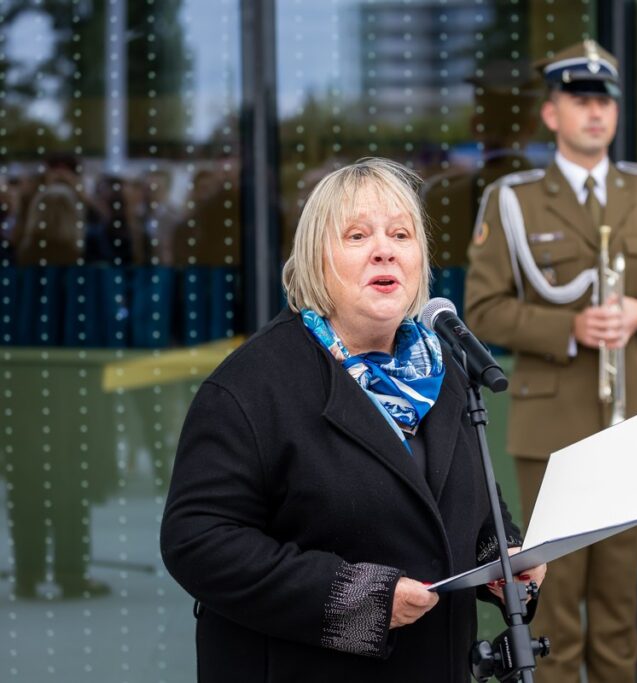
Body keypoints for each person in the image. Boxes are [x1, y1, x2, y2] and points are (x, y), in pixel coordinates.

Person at [160, 158, 545, 682]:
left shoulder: (444, 369)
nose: (384, 249)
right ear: (317, 260)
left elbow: (467, 504)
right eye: (357, 235)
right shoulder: (254, 383)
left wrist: (502, 557)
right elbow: (198, 540)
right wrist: (353, 600)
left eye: (401, 234)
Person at [464, 41, 637, 683]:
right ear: (551, 114)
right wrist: (568, 327)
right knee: (552, 608)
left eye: (604, 100)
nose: (595, 113)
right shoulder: (512, 199)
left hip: (631, 419)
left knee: (618, 606)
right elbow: (484, 310)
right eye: (580, 101)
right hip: (552, 425)